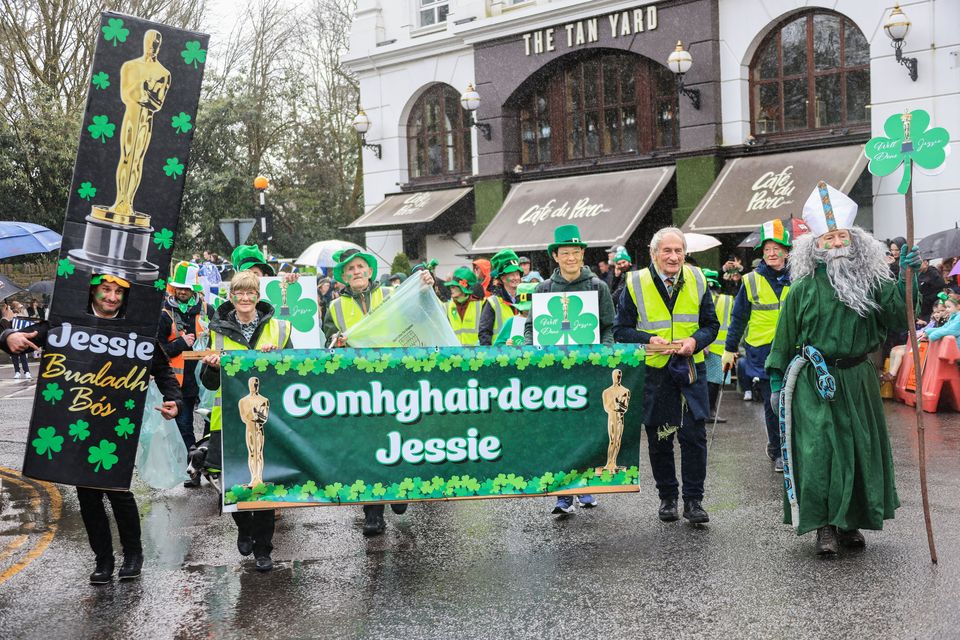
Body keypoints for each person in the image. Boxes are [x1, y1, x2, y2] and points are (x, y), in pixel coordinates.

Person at [767, 182, 919, 556]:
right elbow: (784, 338)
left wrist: (905, 276)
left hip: (858, 378)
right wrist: (775, 382)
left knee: (856, 448)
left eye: (841, 236)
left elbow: (901, 317)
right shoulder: (802, 287)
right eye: (828, 237)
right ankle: (824, 526)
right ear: (815, 245)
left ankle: (850, 523)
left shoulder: (874, 280)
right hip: (813, 380)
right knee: (819, 450)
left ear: (854, 238)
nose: (835, 243)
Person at [0, 273, 182, 584]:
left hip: (116, 423)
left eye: (117, 292)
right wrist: (7, 337)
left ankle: (133, 554)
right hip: (78, 423)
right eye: (105, 290)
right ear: (92, 293)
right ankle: (103, 560)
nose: (111, 297)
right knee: (88, 497)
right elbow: (24, 338)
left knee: (118, 492)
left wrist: (174, 399)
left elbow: (163, 369)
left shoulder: (137, 330)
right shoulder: (65, 323)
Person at [321, 248, 433, 535]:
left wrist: (425, 290)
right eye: (350, 269)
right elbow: (329, 345)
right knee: (366, 448)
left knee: (398, 438)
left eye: (360, 267)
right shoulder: (334, 307)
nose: (356, 272)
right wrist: (338, 342)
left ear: (369, 271)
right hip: (359, 387)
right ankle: (373, 511)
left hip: (393, 381)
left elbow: (418, 317)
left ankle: (398, 490)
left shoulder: (390, 295)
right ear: (343, 276)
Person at [614, 227, 719, 524]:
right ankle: (668, 498)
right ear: (654, 253)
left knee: (694, 436)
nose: (673, 257)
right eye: (667, 251)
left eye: (679, 251)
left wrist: (695, 341)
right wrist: (648, 339)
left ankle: (694, 501)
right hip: (656, 372)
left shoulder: (697, 278)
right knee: (660, 437)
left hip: (689, 371)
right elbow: (621, 330)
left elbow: (712, 324)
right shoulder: (634, 283)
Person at [200, 269, 292, 571]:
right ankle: (243, 527)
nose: (245, 297)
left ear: (257, 296)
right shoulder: (217, 330)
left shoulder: (278, 329)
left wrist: (276, 357)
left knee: (263, 482)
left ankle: (264, 548)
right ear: (231, 296)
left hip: (267, 419)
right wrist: (213, 367)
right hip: (228, 419)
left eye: (250, 292)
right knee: (233, 480)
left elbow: (294, 370)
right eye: (239, 292)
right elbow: (209, 382)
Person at [525, 224, 615, 514]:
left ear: (582, 254)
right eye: (565, 253)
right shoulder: (544, 289)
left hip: (587, 373)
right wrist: (532, 352)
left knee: (587, 430)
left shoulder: (597, 287)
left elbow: (608, 328)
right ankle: (563, 493)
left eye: (576, 252)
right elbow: (531, 328)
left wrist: (602, 354)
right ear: (556, 256)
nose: (571, 258)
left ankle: (586, 487)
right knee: (559, 431)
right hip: (555, 376)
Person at [722, 219, 792, 472]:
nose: (772, 253)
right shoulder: (750, 280)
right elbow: (738, 317)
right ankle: (777, 451)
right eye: (767, 249)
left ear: (786, 250)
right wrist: (730, 349)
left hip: (794, 348)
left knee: (796, 401)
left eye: (777, 248)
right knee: (773, 402)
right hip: (763, 351)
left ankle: (795, 448)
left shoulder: (798, 277)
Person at [158, 261, 209, 484]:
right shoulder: (164, 314)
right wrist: (180, 343)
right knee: (184, 427)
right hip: (180, 384)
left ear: (194, 290)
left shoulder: (208, 311)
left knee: (212, 429)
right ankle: (194, 470)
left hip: (208, 384)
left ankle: (210, 466)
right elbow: (157, 351)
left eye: (186, 288)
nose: (182, 292)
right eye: (179, 288)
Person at [702, 268, 731, 422]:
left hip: (702, 346)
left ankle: (705, 411)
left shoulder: (699, 298)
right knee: (713, 381)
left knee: (703, 380)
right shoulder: (727, 299)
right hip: (721, 348)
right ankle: (709, 412)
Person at [479, 249, 522, 346]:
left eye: (517, 274)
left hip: (524, 354)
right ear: (502, 278)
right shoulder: (492, 302)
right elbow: (484, 333)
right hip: (500, 356)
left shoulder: (526, 298)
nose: (516, 278)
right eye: (511, 274)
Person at [444, 267, 484, 346]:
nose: (450, 288)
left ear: (464, 288)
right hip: (454, 355)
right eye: (451, 286)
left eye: (454, 286)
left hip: (476, 355)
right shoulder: (447, 306)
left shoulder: (481, 305)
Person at [2, 303, 31, 379]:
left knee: (23, 356)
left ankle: (27, 372)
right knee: (14, 357)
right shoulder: (8, 320)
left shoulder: (21, 318)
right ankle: (17, 372)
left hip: (20, 339)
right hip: (13, 340)